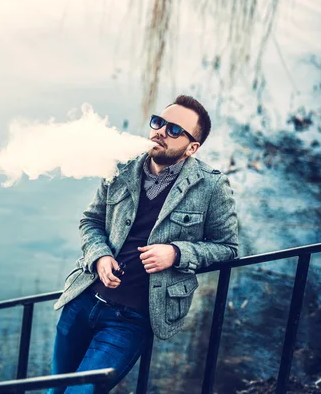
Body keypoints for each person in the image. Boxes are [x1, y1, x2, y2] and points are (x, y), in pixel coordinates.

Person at [48, 95, 239, 394]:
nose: (161, 131)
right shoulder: (121, 167)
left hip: (130, 320)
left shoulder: (211, 186)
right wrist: (99, 256)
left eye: (175, 129)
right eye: (159, 122)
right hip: (82, 301)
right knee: (53, 390)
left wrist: (176, 254)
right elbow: (91, 221)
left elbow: (227, 247)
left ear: (192, 147)